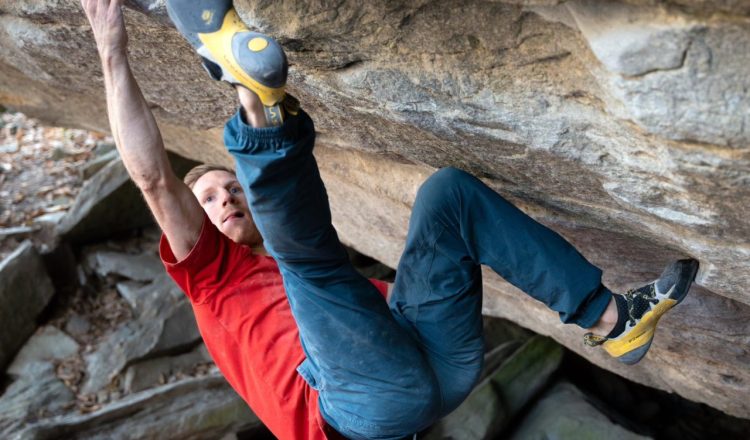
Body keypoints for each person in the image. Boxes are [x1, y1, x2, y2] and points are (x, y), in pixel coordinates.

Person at [80, 1, 699, 439]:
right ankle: (251, 98)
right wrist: (112, 48)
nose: (224, 201)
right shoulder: (211, 280)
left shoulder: (307, 290)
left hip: (437, 371)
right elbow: (154, 178)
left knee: (448, 198)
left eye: (226, 187)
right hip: (358, 409)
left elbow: (405, 309)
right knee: (310, 265)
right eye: (209, 201)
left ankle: (613, 319)